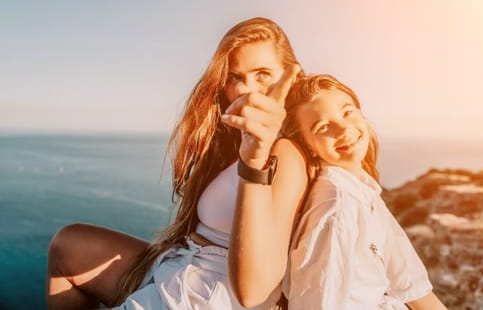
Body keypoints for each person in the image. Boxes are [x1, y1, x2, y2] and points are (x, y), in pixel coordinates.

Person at [46, 17, 308, 310]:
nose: (246, 89)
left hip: (206, 293)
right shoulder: (233, 147)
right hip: (182, 263)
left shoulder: (284, 154)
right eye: (234, 78)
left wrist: (255, 161)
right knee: (67, 245)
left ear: (290, 77)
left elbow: (253, 293)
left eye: (262, 74)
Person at [278, 74, 448, 309]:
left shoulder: (363, 191)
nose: (343, 128)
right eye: (323, 127)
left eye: (347, 112)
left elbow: (412, 286)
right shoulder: (335, 208)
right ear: (308, 146)